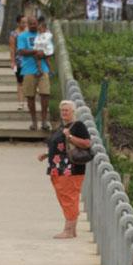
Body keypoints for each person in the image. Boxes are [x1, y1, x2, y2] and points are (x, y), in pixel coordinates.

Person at [37, 100, 91, 239]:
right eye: (62, 110)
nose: (64, 112)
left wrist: (70, 136)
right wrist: (46, 154)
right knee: (66, 197)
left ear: (73, 111)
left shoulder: (77, 125)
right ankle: (72, 230)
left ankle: (68, 230)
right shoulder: (63, 126)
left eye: (67, 110)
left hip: (71, 169)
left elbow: (86, 143)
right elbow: (61, 148)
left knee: (69, 198)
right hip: (58, 168)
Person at [18, 16, 54, 131]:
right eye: (31, 24)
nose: (33, 25)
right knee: (30, 96)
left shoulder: (44, 34)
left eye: (35, 23)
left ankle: (44, 121)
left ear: (38, 23)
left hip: (43, 69)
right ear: (28, 24)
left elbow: (51, 49)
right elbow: (21, 51)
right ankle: (34, 121)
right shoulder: (22, 36)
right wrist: (34, 51)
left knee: (44, 94)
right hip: (28, 69)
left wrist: (42, 54)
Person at [9, 14, 28, 110]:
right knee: (20, 82)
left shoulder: (29, 32)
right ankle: (21, 102)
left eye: (26, 22)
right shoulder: (14, 34)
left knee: (27, 81)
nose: (25, 24)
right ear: (18, 23)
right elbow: (12, 48)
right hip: (19, 60)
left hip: (29, 60)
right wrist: (12, 61)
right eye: (23, 22)